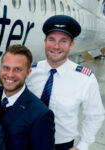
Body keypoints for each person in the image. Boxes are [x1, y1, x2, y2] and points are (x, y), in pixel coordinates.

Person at [26, 15, 105, 150]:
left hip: (62, 145)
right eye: (52, 40)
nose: (56, 46)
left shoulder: (85, 78)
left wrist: (82, 145)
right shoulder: (30, 72)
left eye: (63, 41)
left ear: (71, 44)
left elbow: (95, 115)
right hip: (28, 141)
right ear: (45, 41)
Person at [0, 44, 55, 150]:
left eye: (17, 69)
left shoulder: (41, 114)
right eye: (6, 68)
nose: (10, 74)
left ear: (28, 73)